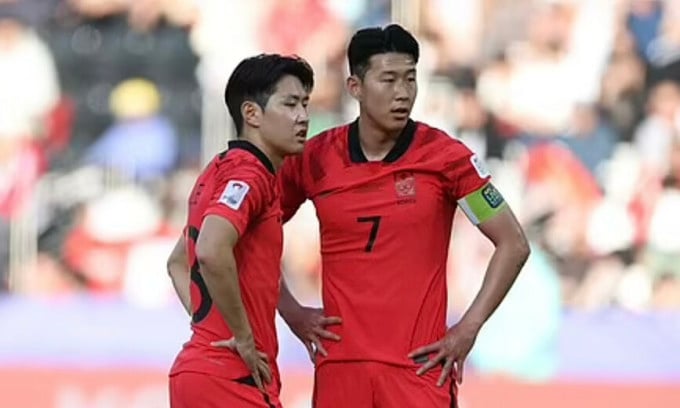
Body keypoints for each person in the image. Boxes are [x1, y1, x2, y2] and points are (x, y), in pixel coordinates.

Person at [277, 24, 530, 407]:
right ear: (355, 87)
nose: (403, 93)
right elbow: (250, 234)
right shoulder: (314, 158)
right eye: (389, 79)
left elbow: (513, 243)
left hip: (420, 372)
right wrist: (291, 311)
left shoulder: (447, 158)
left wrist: (468, 328)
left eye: (411, 79)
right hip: (342, 371)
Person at [167, 53, 314, 408]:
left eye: (305, 104)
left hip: (196, 372)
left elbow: (177, 263)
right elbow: (210, 250)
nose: (303, 117)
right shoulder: (250, 176)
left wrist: (210, 326)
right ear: (252, 114)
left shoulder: (216, 170)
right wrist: (242, 337)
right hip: (232, 377)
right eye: (290, 104)